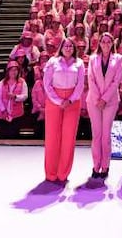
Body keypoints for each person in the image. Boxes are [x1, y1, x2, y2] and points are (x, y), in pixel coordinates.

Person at [42, 38, 85, 183]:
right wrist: (59, 101)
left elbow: (80, 85)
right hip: (54, 101)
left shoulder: (79, 63)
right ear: (61, 47)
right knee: (52, 136)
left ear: (74, 48)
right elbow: (47, 84)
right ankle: (51, 173)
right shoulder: (52, 62)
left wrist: (70, 100)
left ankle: (63, 173)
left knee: (68, 138)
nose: (68, 48)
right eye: (65, 46)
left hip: (73, 102)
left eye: (70, 46)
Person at [87, 32, 122, 180]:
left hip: (111, 101)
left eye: (109, 41)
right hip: (94, 101)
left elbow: (116, 81)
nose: (106, 44)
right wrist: (98, 99)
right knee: (97, 135)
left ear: (112, 43)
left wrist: (105, 99)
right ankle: (96, 165)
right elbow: (90, 79)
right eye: (103, 41)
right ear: (99, 43)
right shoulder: (92, 58)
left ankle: (105, 165)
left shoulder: (119, 58)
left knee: (106, 135)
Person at [0, 61, 28, 138]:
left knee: (14, 136)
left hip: (16, 115)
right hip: (2, 115)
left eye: (16, 70)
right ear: (8, 71)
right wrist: (3, 110)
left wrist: (15, 97)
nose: (14, 72)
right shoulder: (2, 82)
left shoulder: (22, 82)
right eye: (12, 70)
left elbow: (25, 96)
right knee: (3, 135)